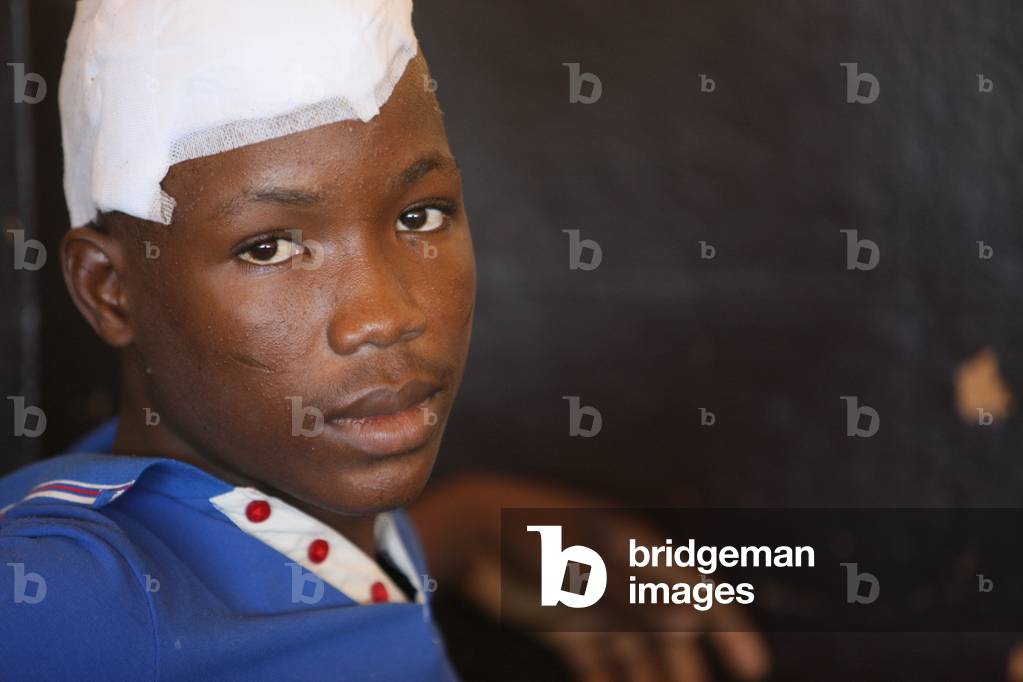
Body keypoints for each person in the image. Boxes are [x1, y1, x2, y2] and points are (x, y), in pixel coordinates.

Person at [0, 1, 768, 679]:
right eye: (269, 247)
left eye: (419, 215)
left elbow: (253, 600)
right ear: (109, 289)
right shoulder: (71, 592)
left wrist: (456, 529)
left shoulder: (280, 497)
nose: (383, 315)